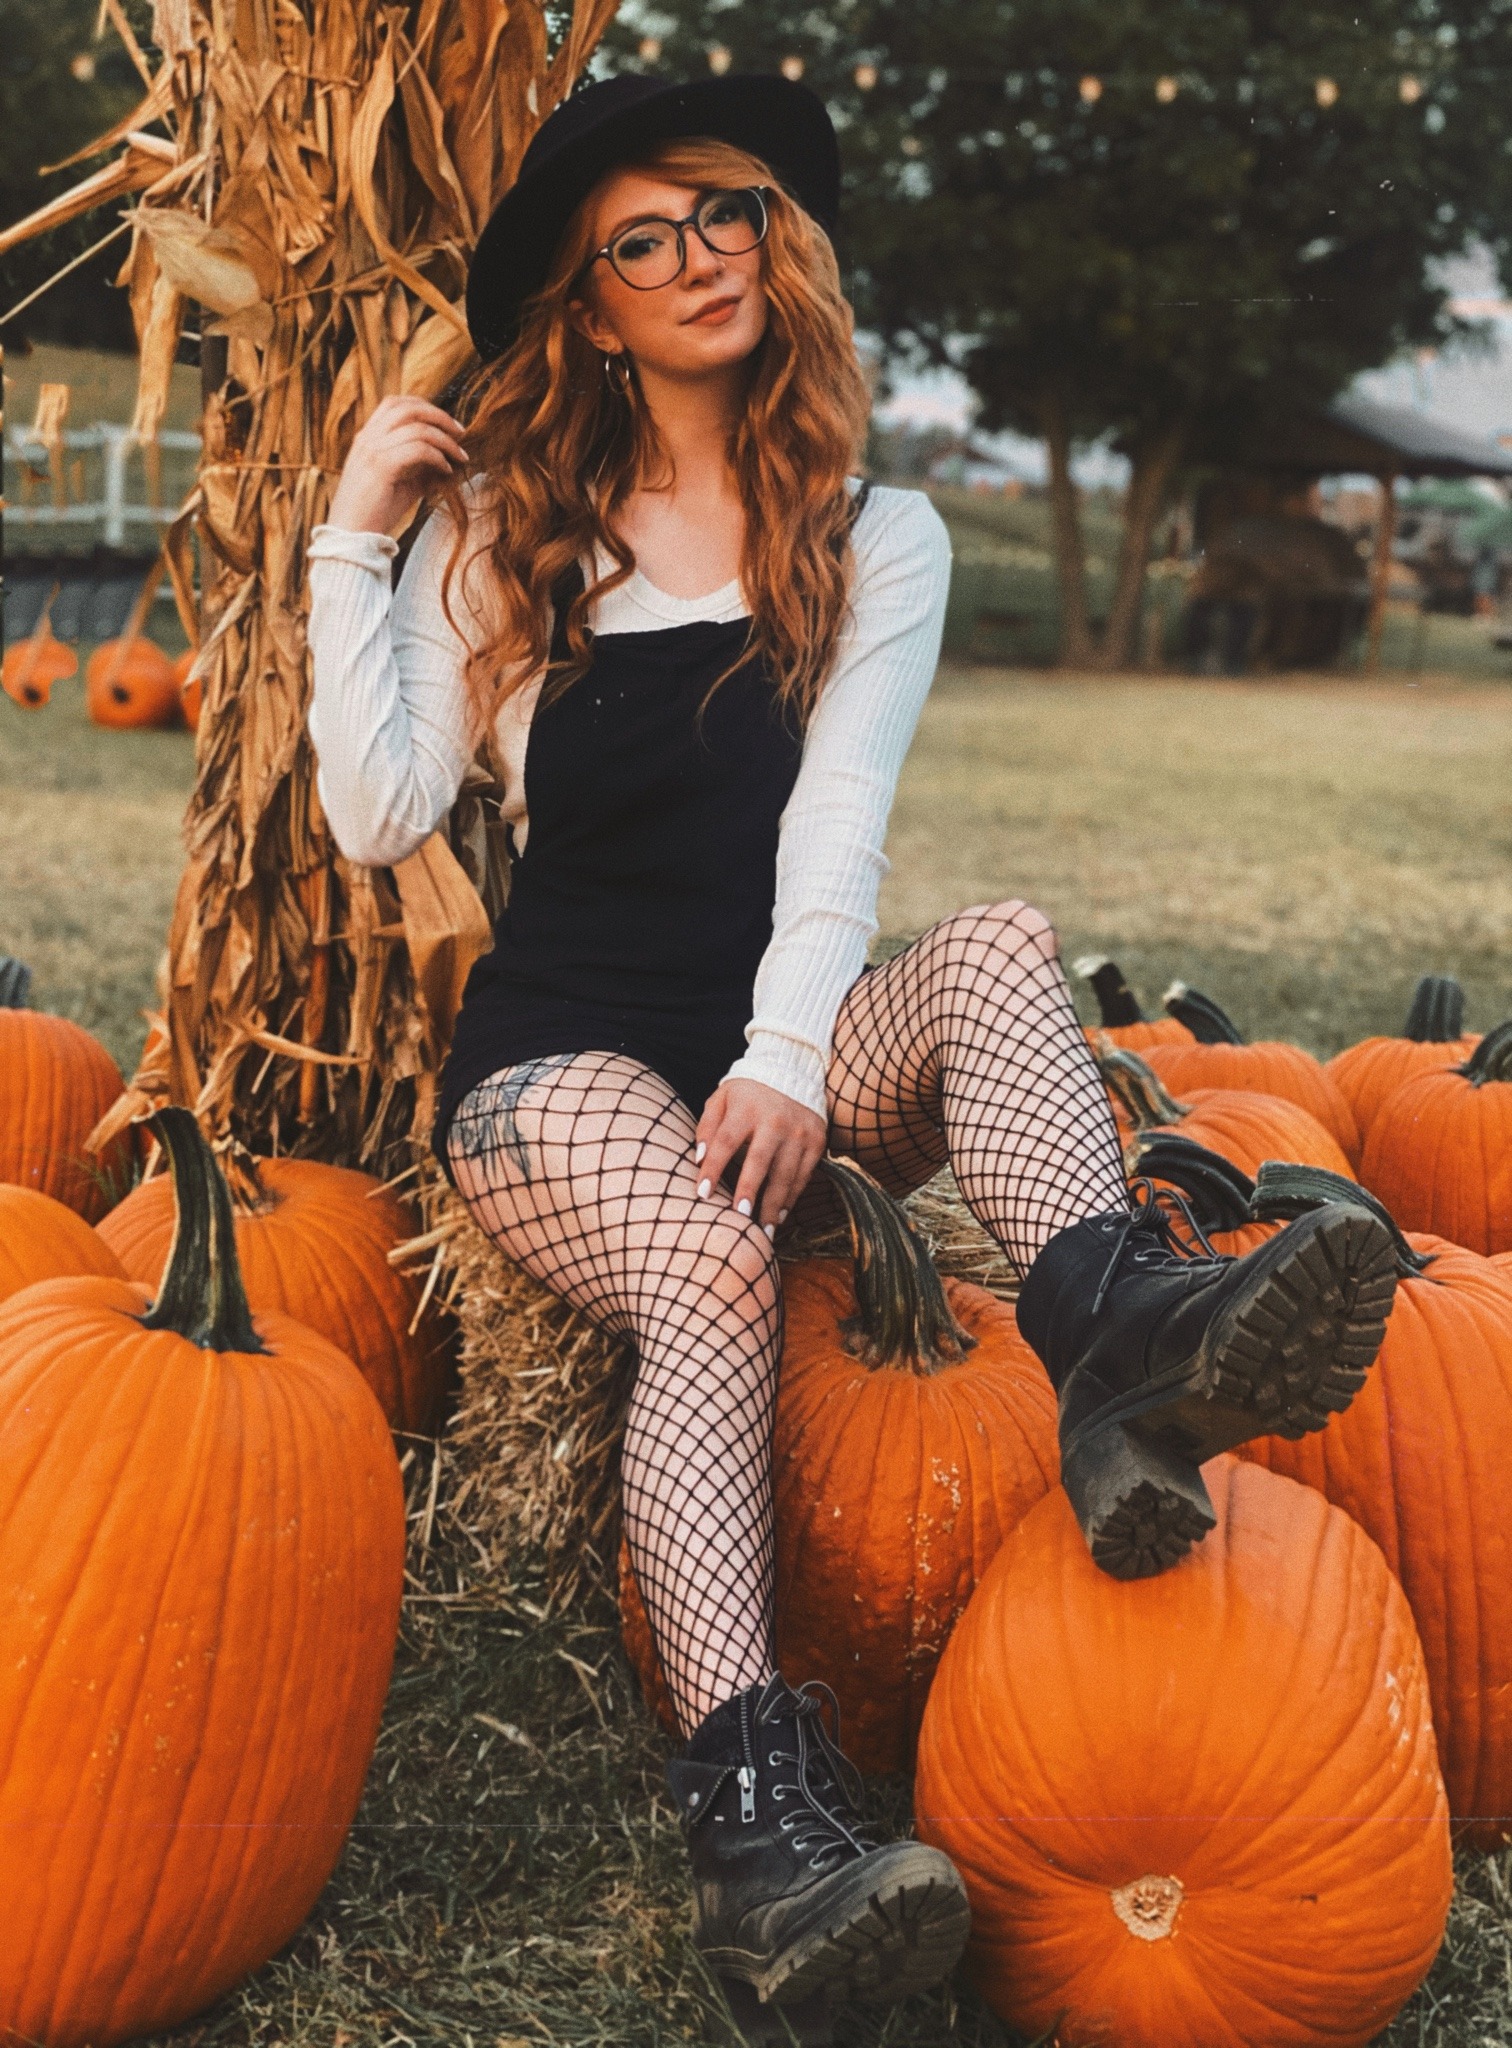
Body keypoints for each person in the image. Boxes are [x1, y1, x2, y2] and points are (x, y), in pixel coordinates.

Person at [305, 72, 1400, 2041]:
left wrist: (790, 1054)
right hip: (560, 1066)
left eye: (721, 212)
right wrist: (354, 538)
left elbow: (842, 826)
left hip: (769, 1050)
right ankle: (757, 1831)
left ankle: (1121, 1342)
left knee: (997, 948)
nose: (695, 258)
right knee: (711, 1263)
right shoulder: (510, 531)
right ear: (593, 307)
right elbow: (380, 812)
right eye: (641, 243)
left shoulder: (877, 531)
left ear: (775, 236)